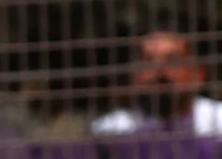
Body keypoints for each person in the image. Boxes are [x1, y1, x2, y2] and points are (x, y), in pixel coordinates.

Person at [90, 30, 222, 137]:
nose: (159, 68)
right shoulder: (112, 131)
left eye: (172, 60)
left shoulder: (218, 123)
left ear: (199, 74)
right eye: (148, 61)